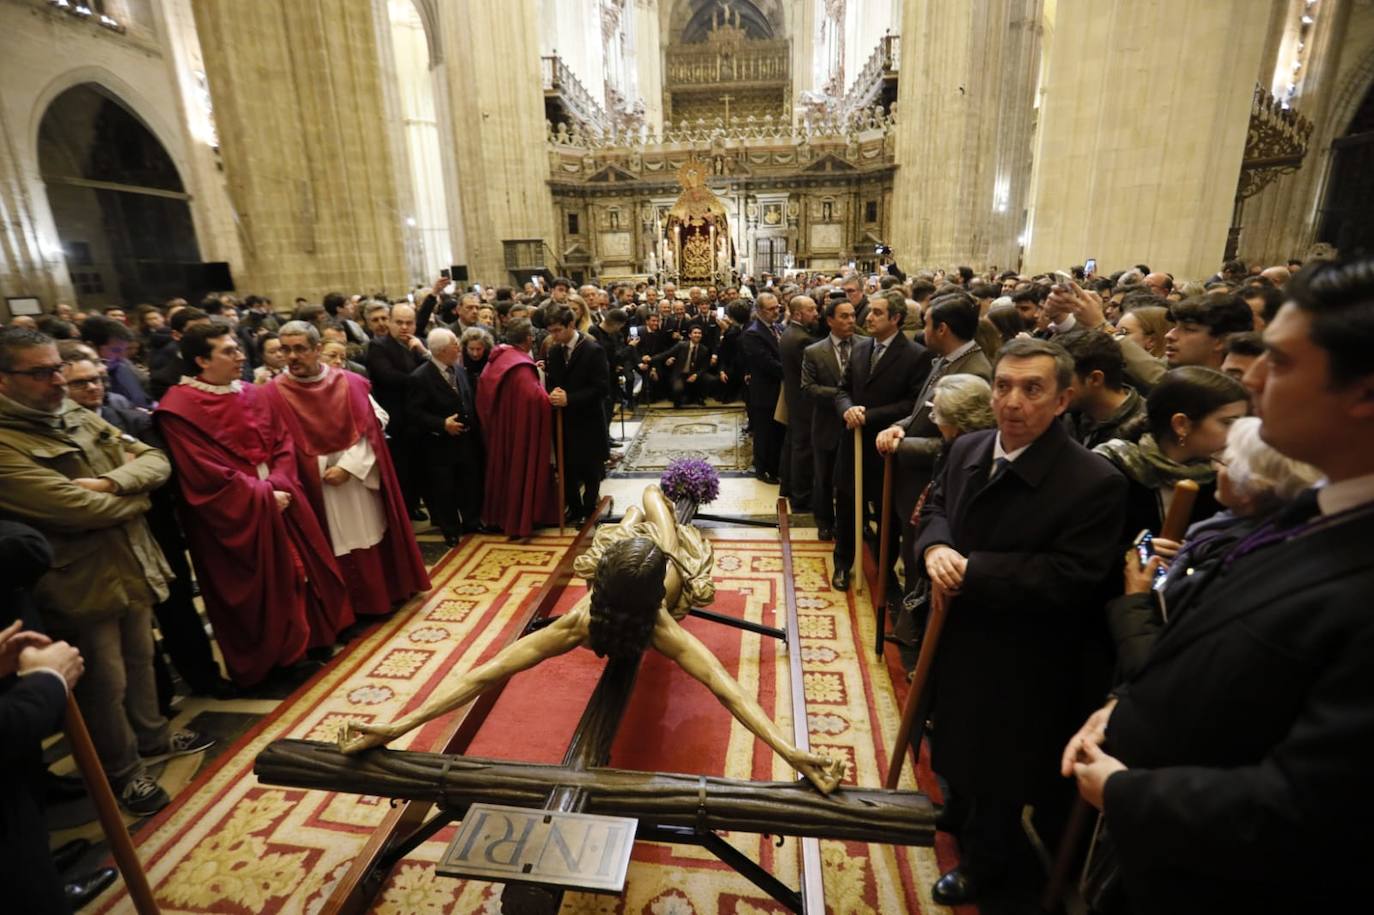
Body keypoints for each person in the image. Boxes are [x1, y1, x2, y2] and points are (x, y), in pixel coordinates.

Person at [1062, 258, 1374, 914]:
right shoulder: (1312, 506)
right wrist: (1128, 705)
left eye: (1281, 363)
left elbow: (1315, 810)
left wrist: (1126, 792)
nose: (1252, 379)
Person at [340, 486, 846, 795]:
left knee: (642, 514)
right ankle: (631, 525)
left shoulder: (626, 604)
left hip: (657, 558)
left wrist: (398, 724)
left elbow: (484, 672)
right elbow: (729, 690)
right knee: (636, 515)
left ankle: (633, 525)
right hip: (645, 559)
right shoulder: (636, 620)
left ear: (598, 586)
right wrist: (792, 752)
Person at [917, 337, 1126, 906]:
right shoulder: (970, 449)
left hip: (1024, 651)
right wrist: (935, 549)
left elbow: (1075, 575)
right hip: (959, 627)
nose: (1012, 401)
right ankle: (956, 812)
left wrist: (974, 570)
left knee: (1000, 767)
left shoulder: (1092, 481)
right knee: (954, 735)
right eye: (1004, 386)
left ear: (1062, 400)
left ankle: (988, 866)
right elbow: (936, 508)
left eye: (1032, 389)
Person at [0, 329, 214, 817]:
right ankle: (122, 772)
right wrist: (133, 499)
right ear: (3, 381)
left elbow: (156, 460)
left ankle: (155, 736)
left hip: (127, 559)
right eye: (41, 372)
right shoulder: (6, 443)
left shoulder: (69, 412)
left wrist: (109, 484)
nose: (57, 380)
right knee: (102, 681)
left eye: (58, 368)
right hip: (76, 579)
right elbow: (74, 509)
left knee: (142, 660)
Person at [156, 324, 353, 685]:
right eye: (228, 351)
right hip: (235, 514)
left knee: (300, 572)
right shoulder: (178, 408)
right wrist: (263, 495)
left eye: (237, 348)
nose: (241, 355)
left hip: (280, 496)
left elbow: (282, 442)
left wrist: (278, 482)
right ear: (201, 360)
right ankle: (275, 661)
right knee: (261, 589)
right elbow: (203, 472)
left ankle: (309, 642)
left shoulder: (251, 392)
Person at [1106, 415, 1321, 681]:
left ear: (1250, 486)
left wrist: (1135, 597)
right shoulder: (1227, 532)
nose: (1214, 466)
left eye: (1224, 462)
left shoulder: (1238, 559)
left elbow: (1162, 669)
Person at [265, 322, 429, 615]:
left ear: (317, 349)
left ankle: (380, 598)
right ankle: (344, 611)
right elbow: (276, 445)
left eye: (300, 349)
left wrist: (350, 467)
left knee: (366, 535)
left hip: (356, 477)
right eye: (285, 350)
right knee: (328, 544)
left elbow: (370, 429)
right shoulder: (272, 394)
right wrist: (313, 470)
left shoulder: (350, 383)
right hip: (312, 484)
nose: (292, 356)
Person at [876, 291, 993, 592]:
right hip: (912, 480)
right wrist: (898, 428)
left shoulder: (975, 371)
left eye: (927, 324)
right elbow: (922, 412)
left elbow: (963, 444)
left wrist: (903, 446)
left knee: (923, 567)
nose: (921, 331)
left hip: (935, 484)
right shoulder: (945, 360)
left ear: (943, 329)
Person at [1095, 366, 1250, 564]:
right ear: (1181, 425)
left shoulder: (1219, 476)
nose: (1239, 434)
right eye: (1228, 423)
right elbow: (1082, 552)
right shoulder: (1110, 469)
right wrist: (1135, 553)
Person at [832, 292, 933, 592]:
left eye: (877, 312)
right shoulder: (861, 349)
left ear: (896, 319)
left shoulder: (916, 355)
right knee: (848, 508)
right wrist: (847, 409)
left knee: (887, 514)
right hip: (853, 443)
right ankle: (842, 563)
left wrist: (871, 416)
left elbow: (912, 404)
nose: (868, 318)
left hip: (885, 449)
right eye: (870, 311)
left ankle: (884, 567)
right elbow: (842, 389)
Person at [476, 319, 556, 537]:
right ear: (529, 339)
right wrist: (549, 395)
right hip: (519, 433)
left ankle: (499, 517)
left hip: (501, 430)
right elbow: (534, 398)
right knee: (519, 470)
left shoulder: (500, 357)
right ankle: (520, 519)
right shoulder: (520, 367)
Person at [409, 328, 485, 546]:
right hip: (440, 445)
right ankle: (450, 529)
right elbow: (414, 412)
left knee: (469, 483)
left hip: (466, 440)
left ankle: (472, 521)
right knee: (445, 489)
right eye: (455, 344)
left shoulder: (458, 369)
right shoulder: (420, 377)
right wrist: (442, 424)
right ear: (442, 350)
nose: (459, 347)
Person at [544, 303, 610, 525]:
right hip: (564, 420)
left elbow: (601, 388)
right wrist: (553, 393)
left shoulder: (592, 349)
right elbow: (553, 381)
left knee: (590, 467)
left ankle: (590, 506)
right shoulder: (554, 351)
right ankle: (574, 507)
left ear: (570, 324)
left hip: (588, 419)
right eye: (550, 331)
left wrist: (570, 399)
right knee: (567, 467)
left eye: (557, 330)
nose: (553, 336)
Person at [365, 302, 428, 519]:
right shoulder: (379, 346)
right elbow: (389, 377)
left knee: (419, 467)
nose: (404, 327)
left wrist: (421, 352)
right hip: (396, 419)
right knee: (402, 469)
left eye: (409, 323)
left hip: (418, 417)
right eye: (399, 322)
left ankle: (414, 505)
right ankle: (405, 510)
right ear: (390, 323)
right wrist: (421, 379)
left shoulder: (418, 344)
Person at [801, 299, 856, 541]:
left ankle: (857, 521)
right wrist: (844, 398)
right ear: (830, 320)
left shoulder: (865, 346)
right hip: (826, 423)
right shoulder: (814, 351)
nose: (851, 321)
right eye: (844, 316)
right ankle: (824, 521)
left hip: (857, 425)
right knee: (823, 477)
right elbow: (808, 389)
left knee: (855, 477)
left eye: (853, 315)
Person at [1060, 329, 1150, 448]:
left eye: (1062, 378)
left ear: (1095, 379)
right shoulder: (1071, 415)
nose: (1052, 387)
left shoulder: (1147, 429)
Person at [779, 295, 819, 510]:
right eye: (811, 309)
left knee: (793, 445)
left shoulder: (790, 332)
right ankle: (801, 497)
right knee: (803, 450)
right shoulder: (802, 338)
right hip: (803, 402)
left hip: (794, 399)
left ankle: (788, 487)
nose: (816, 313)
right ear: (797, 314)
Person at [740, 293, 785, 483]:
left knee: (776, 432)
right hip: (765, 391)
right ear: (759, 311)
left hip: (779, 390)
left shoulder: (777, 327)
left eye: (778, 307)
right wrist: (792, 372)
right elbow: (767, 363)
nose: (776, 311)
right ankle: (763, 470)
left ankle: (776, 467)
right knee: (765, 433)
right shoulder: (753, 333)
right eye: (771, 309)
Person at [659, 324, 714, 407]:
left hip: (694, 374)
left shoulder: (704, 349)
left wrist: (696, 375)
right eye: (695, 333)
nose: (697, 335)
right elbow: (666, 354)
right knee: (678, 389)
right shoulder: (681, 345)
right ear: (690, 335)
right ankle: (678, 402)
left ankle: (699, 397)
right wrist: (652, 360)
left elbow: (705, 367)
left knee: (710, 379)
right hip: (680, 374)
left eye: (699, 333)